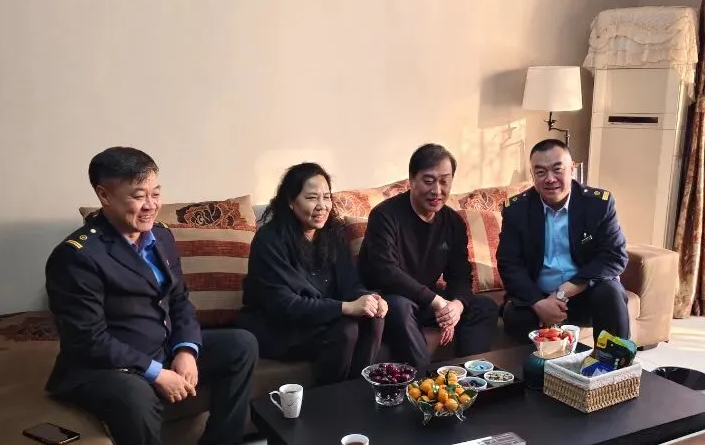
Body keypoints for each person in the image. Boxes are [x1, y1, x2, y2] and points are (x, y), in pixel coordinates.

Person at [45, 147, 269, 445]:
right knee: (133, 395)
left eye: (156, 193)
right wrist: (156, 373)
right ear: (104, 195)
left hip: (161, 347)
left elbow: (179, 300)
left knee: (241, 344)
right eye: (138, 196)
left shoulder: (161, 236)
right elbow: (88, 339)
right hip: (105, 365)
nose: (151, 205)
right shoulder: (77, 256)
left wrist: (186, 351)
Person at [238, 163, 386, 384]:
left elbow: (350, 283)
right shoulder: (269, 240)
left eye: (326, 197)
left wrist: (370, 299)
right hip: (280, 327)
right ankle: (330, 399)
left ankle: (358, 391)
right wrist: (345, 307)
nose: (322, 206)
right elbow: (285, 305)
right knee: (346, 331)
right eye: (311, 198)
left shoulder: (332, 234)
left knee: (374, 319)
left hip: (321, 318)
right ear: (290, 201)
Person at [357, 144, 497, 369]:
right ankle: (425, 380)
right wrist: (437, 302)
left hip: (425, 300)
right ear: (411, 180)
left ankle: (470, 378)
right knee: (401, 307)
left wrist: (456, 306)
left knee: (484, 307)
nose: (437, 190)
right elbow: (386, 272)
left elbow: (460, 275)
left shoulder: (452, 222)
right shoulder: (385, 216)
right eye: (429, 181)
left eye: (444, 181)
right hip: (387, 298)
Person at [497, 139, 630, 344]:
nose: (550, 179)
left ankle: (614, 360)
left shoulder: (597, 205)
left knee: (611, 293)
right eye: (541, 172)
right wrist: (538, 302)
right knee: (516, 315)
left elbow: (615, 256)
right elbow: (509, 263)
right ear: (532, 175)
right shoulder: (517, 210)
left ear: (572, 169)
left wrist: (562, 292)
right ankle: (531, 364)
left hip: (585, 292)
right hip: (539, 295)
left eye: (557, 169)